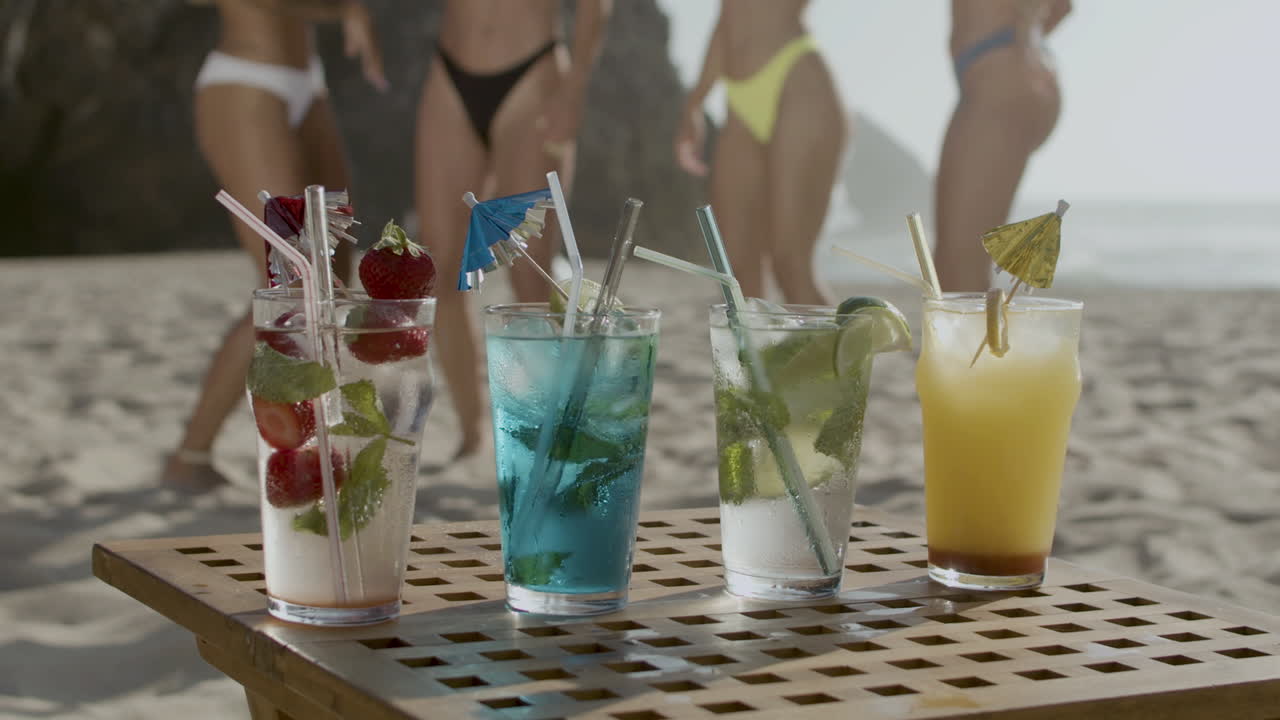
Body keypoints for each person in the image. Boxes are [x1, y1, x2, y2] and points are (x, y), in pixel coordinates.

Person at [163, 0, 387, 492]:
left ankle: (313, 449)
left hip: (309, 82)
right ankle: (190, 455)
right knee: (292, 285)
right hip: (245, 81)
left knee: (330, 282)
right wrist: (342, 11)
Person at [416, 0, 612, 459]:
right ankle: (471, 434)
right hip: (450, 73)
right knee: (439, 272)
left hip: (533, 74)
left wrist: (575, 87)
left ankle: (546, 432)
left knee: (529, 276)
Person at [675, 0, 844, 304]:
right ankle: (756, 340)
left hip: (797, 82)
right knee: (735, 271)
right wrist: (696, 101)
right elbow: (727, 15)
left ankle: (857, 338)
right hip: (738, 100)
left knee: (790, 266)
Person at [934, 0, 1071, 292]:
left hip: (1002, 73)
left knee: (957, 270)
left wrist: (1023, 38)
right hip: (1007, 62)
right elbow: (1063, 6)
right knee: (959, 265)